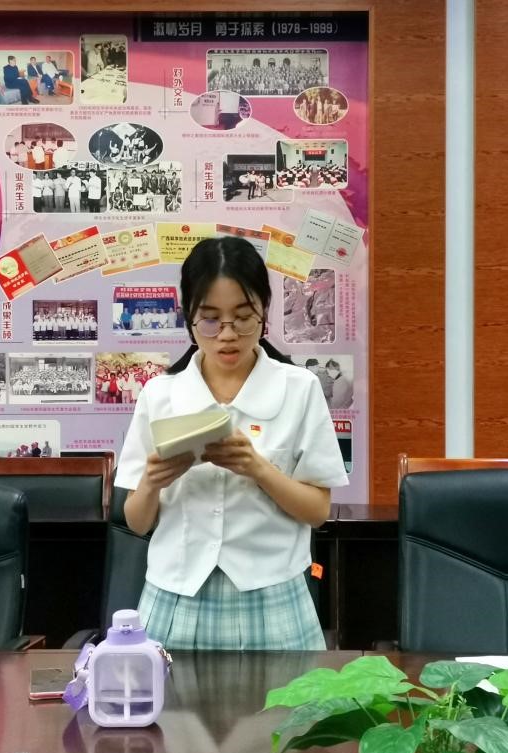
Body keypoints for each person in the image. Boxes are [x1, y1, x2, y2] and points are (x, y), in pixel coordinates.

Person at [116, 237, 348, 650]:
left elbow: (317, 512)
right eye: (210, 320)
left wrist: (257, 469)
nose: (227, 335)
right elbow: (137, 522)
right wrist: (151, 482)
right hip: (175, 599)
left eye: (243, 318)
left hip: (274, 599)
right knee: (167, 697)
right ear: (188, 315)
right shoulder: (160, 394)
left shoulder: (299, 388)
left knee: (285, 698)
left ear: (264, 310)